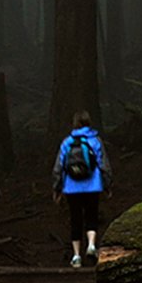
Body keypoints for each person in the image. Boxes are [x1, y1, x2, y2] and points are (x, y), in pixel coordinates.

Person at [52, 110, 110, 267]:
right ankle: (91, 245)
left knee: (75, 220)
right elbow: (103, 165)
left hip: (71, 188)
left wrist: (57, 189)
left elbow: (58, 168)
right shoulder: (95, 141)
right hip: (93, 186)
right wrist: (107, 185)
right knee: (91, 216)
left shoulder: (67, 142)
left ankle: (76, 256)